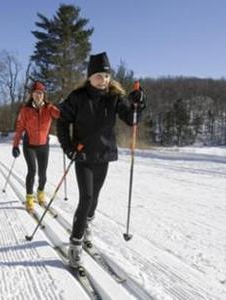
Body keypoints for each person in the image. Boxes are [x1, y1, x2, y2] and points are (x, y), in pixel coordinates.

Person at [56, 52, 146, 268]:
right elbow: (62, 123)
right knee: (86, 198)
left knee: (94, 197)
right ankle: (75, 245)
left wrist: (139, 104)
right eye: (98, 76)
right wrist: (69, 148)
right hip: (83, 154)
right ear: (89, 77)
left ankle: (87, 225)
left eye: (106, 76)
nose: (103, 80)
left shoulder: (114, 97)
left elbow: (131, 120)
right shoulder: (77, 98)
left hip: (104, 154)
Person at [12, 81, 60, 212]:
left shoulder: (49, 108)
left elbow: (61, 115)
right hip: (29, 145)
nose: (38, 95)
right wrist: (15, 145)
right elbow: (19, 128)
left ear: (44, 94)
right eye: (35, 93)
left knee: (43, 173)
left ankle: (40, 193)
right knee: (32, 171)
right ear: (31, 95)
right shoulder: (25, 110)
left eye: (40, 93)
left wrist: (64, 109)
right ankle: (29, 198)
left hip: (44, 145)